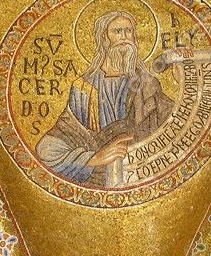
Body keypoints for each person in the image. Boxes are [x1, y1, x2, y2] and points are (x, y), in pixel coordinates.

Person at [36, 11, 175, 188]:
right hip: (97, 181)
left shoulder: (147, 84)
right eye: (117, 31)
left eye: (129, 31)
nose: (124, 37)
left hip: (141, 175)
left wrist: (182, 79)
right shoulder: (83, 88)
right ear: (103, 38)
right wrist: (94, 158)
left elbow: (173, 125)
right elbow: (53, 143)